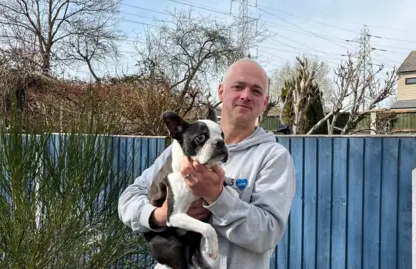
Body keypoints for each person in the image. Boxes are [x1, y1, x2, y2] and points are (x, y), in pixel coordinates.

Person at [118, 58, 296, 269]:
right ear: (221, 91)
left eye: (256, 91)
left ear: (265, 102)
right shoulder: (185, 145)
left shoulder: (273, 157)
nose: (246, 96)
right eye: (238, 86)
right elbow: (128, 200)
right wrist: (161, 215)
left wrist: (217, 197)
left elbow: (267, 234)